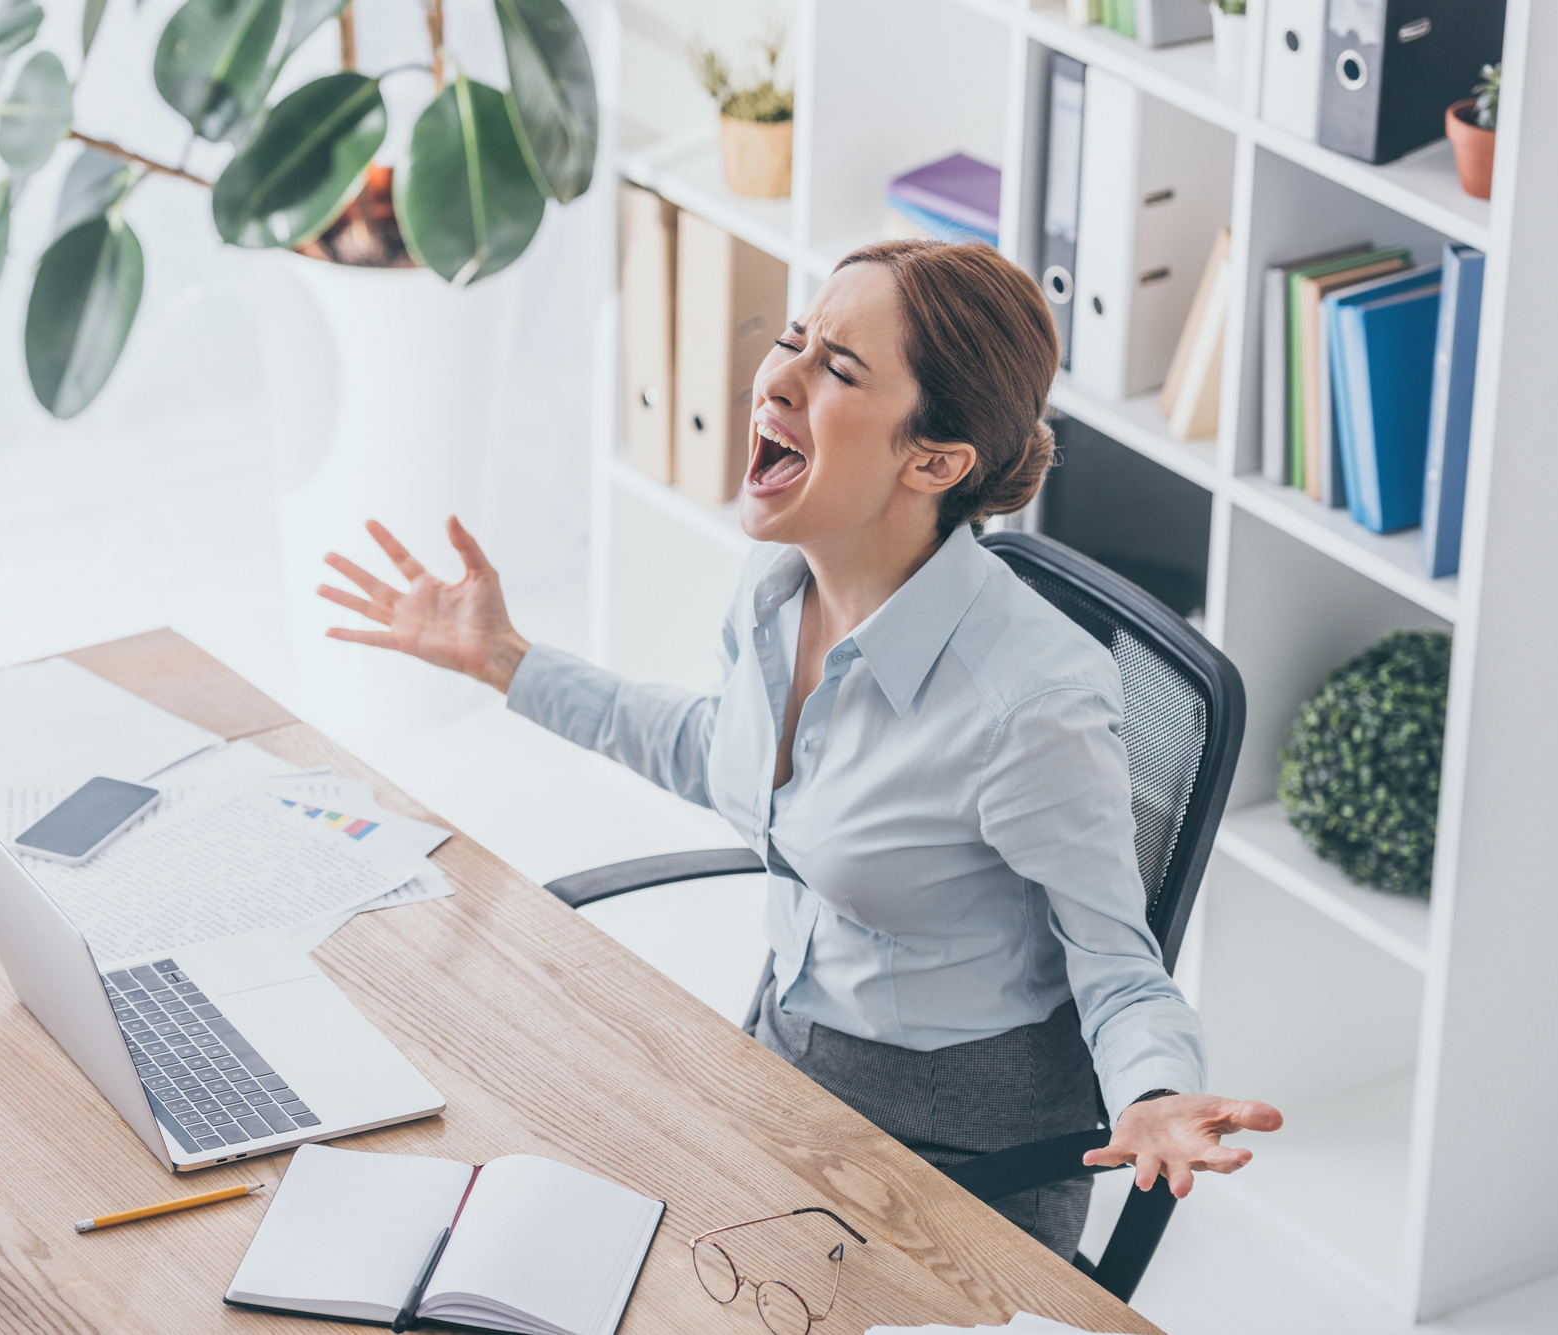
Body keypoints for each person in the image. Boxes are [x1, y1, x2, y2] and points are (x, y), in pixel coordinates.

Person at [317, 239, 1282, 1260]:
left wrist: (1155, 1095)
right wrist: (505, 658)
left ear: (935, 461)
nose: (774, 378)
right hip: (781, 1064)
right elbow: (716, 752)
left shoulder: (1028, 705)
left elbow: (1117, 966)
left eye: (838, 369)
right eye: (792, 341)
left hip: (963, 1161)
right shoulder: (779, 585)